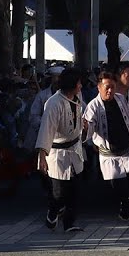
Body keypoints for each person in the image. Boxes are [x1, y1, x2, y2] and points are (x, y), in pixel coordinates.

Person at [83, 72, 129, 224]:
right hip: (109, 154)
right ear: (99, 87)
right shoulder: (93, 106)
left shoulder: (120, 99)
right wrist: (85, 127)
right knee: (118, 186)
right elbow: (89, 126)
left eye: (112, 87)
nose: (110, 90)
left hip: (127, 149)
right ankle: (125, 204)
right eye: (107, 87)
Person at [35, 69, 86, 233]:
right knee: (58, 192)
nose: (81, 86)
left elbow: (82, 116)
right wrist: (42, 155)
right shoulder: (53, 103)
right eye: (79, 83)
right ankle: (53, 211)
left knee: (75, 190)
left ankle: (69, 223)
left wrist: (84, 125)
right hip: (57, 152)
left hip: (75, 148)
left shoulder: (78, 98)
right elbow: (46, 130)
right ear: (72, 84)